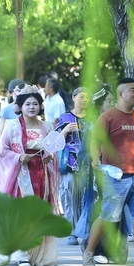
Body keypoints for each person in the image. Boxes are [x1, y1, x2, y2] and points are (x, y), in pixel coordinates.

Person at [83, 78, 134, 266]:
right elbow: (95, 141)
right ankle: (88, 253)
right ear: (121, 94)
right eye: (132, 90)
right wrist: (95, 158)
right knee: (108, 216)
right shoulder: (108, 116)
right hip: (116, 176)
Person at [0, 85, 61, 266]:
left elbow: (52, 149)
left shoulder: (47, 126)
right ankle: (21, 251)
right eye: (28, 104)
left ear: (40, 106)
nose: (32, 107)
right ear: (20, 107)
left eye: (35, 104)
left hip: (41, 175)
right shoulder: (12, 126)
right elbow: (1, 151)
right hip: (20, 176)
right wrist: (18, 157)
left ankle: (33, 250)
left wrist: (50, 156)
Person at [54, 87, 89, 245]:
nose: (84, 100)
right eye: (81, 96)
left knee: (84, 198)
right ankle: (71, 231)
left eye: (87, 97)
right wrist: (66, 130)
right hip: (69, 163)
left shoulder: (93, 118)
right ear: (74, 97)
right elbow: (54, 141)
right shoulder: (65, 117)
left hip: (88, 164)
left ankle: (84, 230)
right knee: (68, 197)